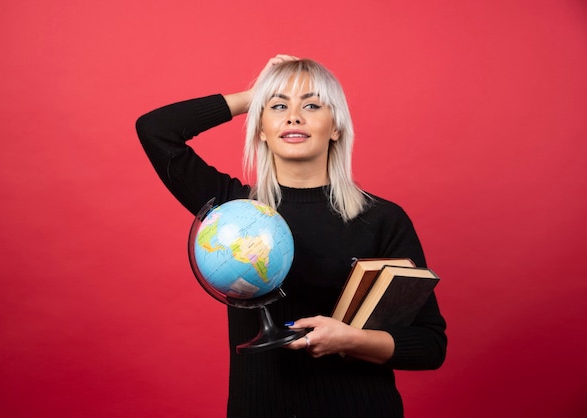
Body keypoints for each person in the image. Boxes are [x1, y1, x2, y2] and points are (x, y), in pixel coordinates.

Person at [136, 54, 447, 417]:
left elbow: (430, 345)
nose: (294, 116)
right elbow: (155, 129)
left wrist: (351, 340)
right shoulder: (235, 210)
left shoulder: (381, 219)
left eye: (312, 104)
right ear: (261, 129)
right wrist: (252, 96)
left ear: (336, 128)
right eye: (279, 105)